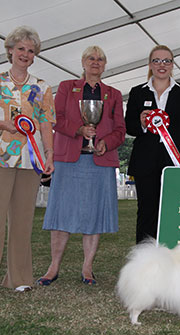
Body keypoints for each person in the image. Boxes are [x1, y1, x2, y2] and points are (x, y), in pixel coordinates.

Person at [37, 46, 125, 286]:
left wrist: (106, 143)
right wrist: (79, 130)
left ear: (105, 65)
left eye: (100, 59)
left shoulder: (114, 94)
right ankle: (53, 266)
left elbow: (120, 130)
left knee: (94, 215)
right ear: (83, 63)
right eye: (91, 58)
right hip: (68, 159)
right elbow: (57, 118)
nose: (95, 62)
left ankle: (88, 268)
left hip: (99, 162)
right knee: (61, 214)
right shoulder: (67, 87)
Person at [125, 45, 180, 244]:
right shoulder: (137, 93)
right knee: (147, 213)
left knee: (175, 211)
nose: (162, 65)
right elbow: (128, 126)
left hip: (176, 162)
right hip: (145, 163)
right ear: (150, 64)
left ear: (172, 65)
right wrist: (140, 124)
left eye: (166, 61)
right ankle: (145, 264)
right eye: (157, 60)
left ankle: (174, 258)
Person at [0, 26, 55, 291]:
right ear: (10, 50)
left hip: (29, 162)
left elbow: (46, 123)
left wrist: (49, 155)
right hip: (1, 158)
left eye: (31, 51)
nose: (25, 54)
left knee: (22, 222)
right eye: (20, 49)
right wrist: (4, 125)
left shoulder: (42, 87)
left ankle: (18, 279)